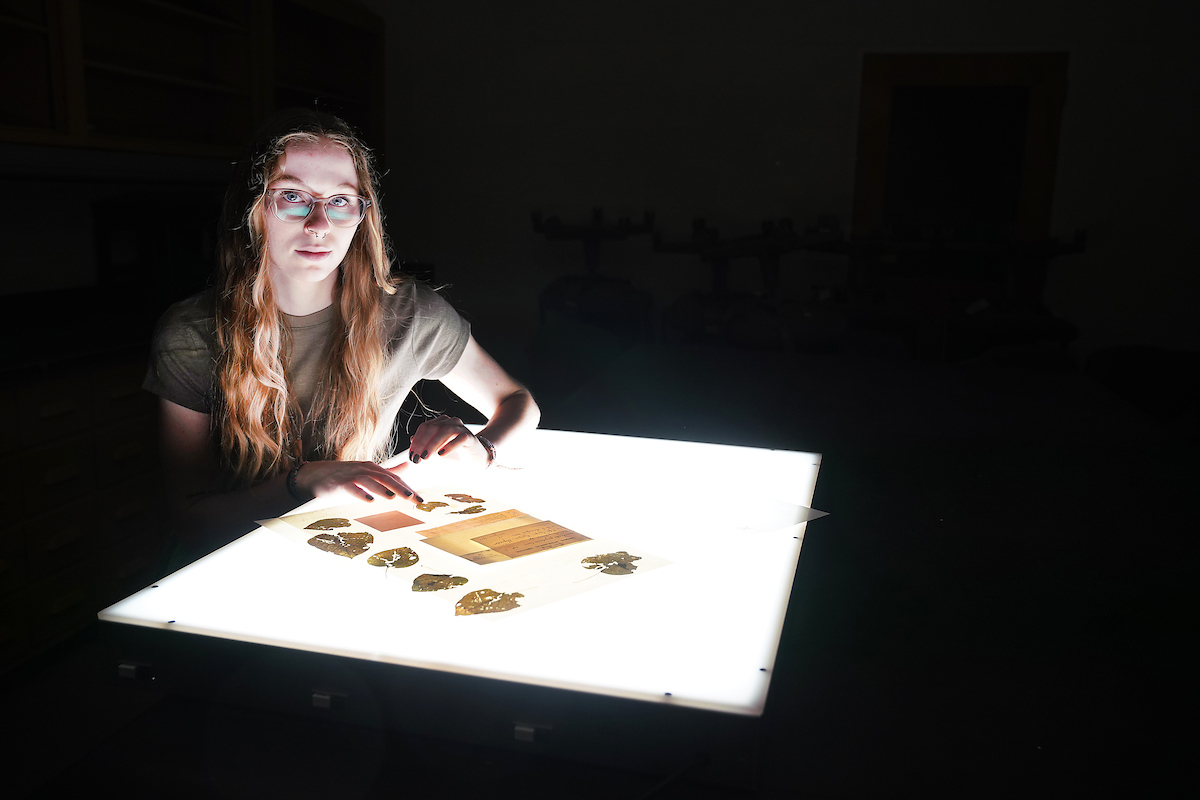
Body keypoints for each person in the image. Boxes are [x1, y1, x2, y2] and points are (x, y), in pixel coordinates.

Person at [144, 109, 539, 567]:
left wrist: (482, 449)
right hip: (239, 566)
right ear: (253, 207)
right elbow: (193, 523)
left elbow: (518, 401)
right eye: (292, 196)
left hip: (358, 552)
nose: (318, 224)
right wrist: (302, 482)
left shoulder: (410, 312)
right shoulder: (193, 333)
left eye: (340, 201)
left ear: (361, 216)